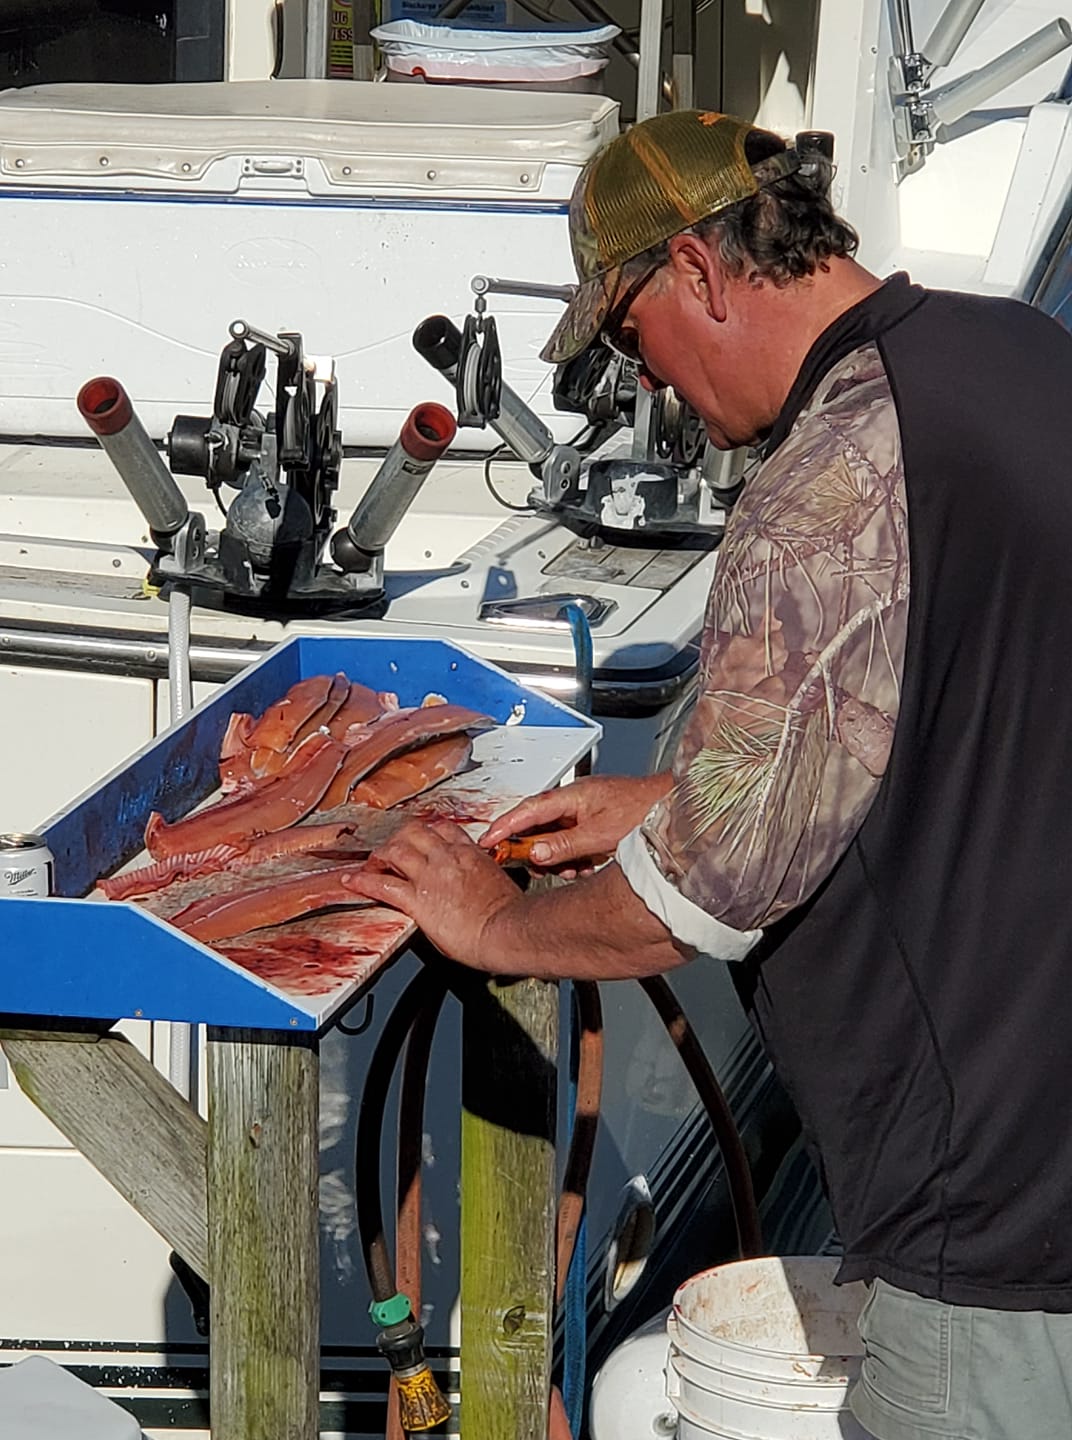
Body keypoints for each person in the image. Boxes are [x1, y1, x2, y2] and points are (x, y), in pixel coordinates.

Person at [344, 109, 1072, 1439]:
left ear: (697, 269)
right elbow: (970, 721)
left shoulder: (819, 486)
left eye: (632, 338)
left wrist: (492, 922)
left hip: (992, 1220)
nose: (654, 383)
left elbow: (702, 899)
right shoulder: (1018, 352)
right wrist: (672, 795)